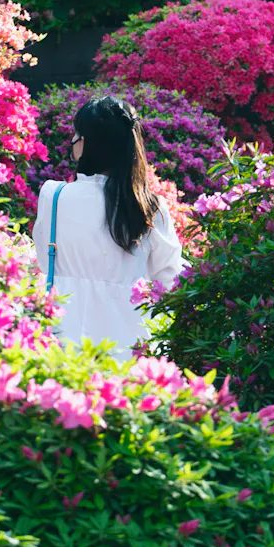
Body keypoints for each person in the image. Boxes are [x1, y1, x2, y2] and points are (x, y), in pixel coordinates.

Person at [32, 96, 186, 358]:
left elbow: (44, 260)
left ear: (87, 143)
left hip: (64, 335)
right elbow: (170, 278)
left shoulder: (54, 196)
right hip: (131, 342)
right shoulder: (149, 206)